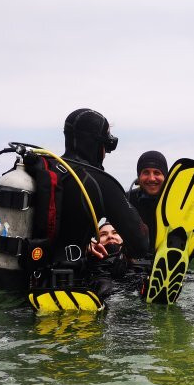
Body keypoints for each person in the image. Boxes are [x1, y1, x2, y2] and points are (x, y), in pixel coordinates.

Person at [46, 108, 148, 286]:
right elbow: (140, 244)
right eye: (107, 146)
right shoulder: (97, 182)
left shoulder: (42, 172)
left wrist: (85, 246)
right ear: (98, 144)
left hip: (20, 282)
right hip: (65, 291)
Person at [126, 150, 194, 260]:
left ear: (166, 177)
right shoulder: (126, 199)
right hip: (135, 264)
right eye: (146, 172)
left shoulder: (180, 203)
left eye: (157, 173)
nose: (151, 178)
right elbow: (110, 227)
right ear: (138, 177)